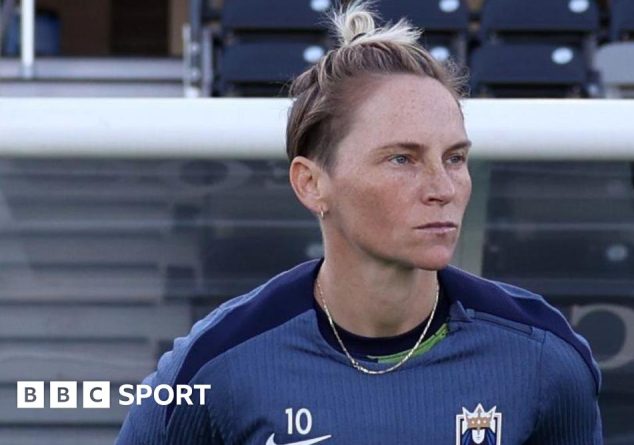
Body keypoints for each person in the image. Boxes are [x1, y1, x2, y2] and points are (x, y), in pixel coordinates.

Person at [115, 2, 603, 444]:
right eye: (401, 159)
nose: (443, 188)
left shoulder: (541, 355)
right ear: (311, 184)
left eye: (454, 158)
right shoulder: (214, 364)